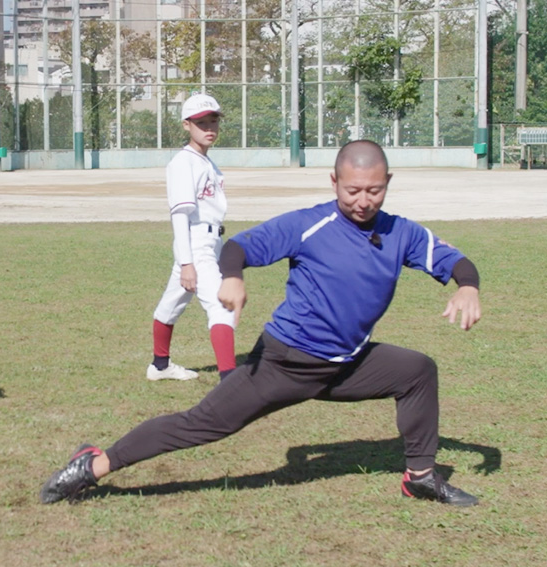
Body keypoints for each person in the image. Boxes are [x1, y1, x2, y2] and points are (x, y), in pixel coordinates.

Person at [41, 140, 482, 507]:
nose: (363, 201)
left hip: (347, 364)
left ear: (387, 184)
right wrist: (232, 277)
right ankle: (93, 463)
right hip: (284, 364)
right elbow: (239, 246)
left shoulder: (400, 231)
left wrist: (467, 285)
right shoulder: (310, 224)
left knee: (417, 371)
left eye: (373, 191)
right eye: (352, 191)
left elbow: (453, 259)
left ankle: (420, 477)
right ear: (334, 182)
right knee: (201, 424)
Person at [147, 93, 237, 382]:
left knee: (170, 305)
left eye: (213, 120)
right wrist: (187, 262)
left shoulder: (205, 163)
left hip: (208, 242)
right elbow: (180, 215)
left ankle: (159, 366)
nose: (209, 127)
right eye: (201, 122)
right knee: (221, 307)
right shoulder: (183, 163)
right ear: (187, 125)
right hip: (196, 244)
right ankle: (230, 381)